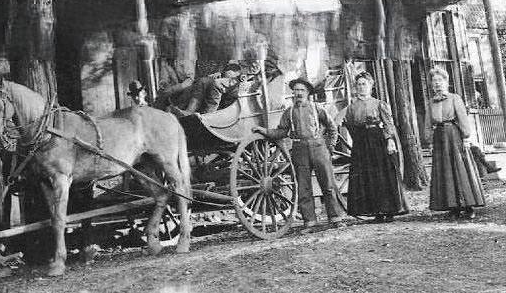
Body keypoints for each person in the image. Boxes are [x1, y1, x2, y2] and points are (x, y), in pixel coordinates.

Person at [255, 77, 344, 233]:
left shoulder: (317, 108)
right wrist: (264, 131)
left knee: (328, 185)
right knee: (303, 187)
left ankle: (336, 218)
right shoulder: (289, 112)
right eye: (296, 90)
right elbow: (281, 132)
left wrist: (329, 147)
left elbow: (332, 127)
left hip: (318, 147)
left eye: (302, 90)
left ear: (308, 92)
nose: (299, 93)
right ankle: (310, 222)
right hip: (299, 149)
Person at [341, 71, 409, 222]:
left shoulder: (379, 104)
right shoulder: (351, 108)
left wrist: (389, 140)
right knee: (367, 176)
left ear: (371, 85)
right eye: (358, 84)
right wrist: (358, 142)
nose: (361, 87)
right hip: (361, 144)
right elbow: (351, 126)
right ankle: (376, 211)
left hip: (378, 141)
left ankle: (389, 210)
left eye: (364, 84)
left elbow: (388, 124)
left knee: (383, 175)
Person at [427, 67, 485, 220]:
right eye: (434, 81)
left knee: (460, 168)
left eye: (440, 80)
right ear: (432, 85)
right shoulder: (431, 102)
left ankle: (469, 205)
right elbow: (428, 123)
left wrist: (466, 137)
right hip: (439, 138)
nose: (437, 83)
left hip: (454, 136)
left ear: (446, 82)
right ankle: (453, 207)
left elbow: (462, 118)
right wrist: (430, 141)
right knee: (445, 171)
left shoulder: (455, 98)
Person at [166, 62, 242, 117]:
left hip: (225, 107)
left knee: (210, 84)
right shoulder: (220, 75)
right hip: (209, 96)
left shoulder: (236, 81)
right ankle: (189, 110)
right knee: (203, 81)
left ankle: (206, 115)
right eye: (226, 76)